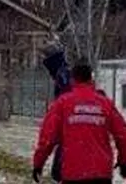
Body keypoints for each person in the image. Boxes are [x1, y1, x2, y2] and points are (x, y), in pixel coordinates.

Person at [32, 62, 126, 184]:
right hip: (100, 171)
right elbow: (124, 134)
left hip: (73, 171)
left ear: (72, 80)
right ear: (91, 79)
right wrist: (123, 160)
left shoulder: (62, 103)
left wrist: (38, 163)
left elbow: (47, 137)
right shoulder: (104, 103)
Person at [41, 47, 73, 182]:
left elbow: (66, 97)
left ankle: (60, 173)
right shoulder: (65, 72)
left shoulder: (63, 74)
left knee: (63, 149)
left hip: (68, 120)